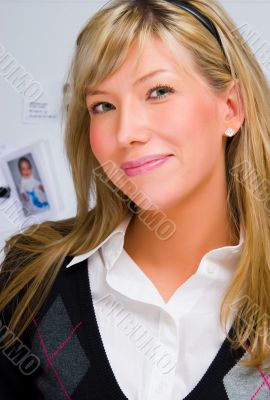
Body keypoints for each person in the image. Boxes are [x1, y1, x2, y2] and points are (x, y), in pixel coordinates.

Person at [0, 0, 270, 399]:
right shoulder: (35, 278)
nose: (126, 131)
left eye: (158, 92)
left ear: (230, 108)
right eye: (103, 106)